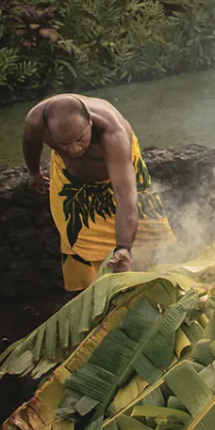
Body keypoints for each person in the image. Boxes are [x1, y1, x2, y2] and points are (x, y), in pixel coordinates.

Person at [22, 93, 177, 291]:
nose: (75, 149)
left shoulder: (113, 131)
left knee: (150, 234)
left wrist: (124, 247)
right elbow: (29, 141)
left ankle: (157, 287)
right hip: (74, 184)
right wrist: (34, 172)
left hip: (120, 177)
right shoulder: (35, 121)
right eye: (64, 144)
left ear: (90, 122)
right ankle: (88, 299)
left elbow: (125, 193)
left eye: (80, 139)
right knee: (77, 241)